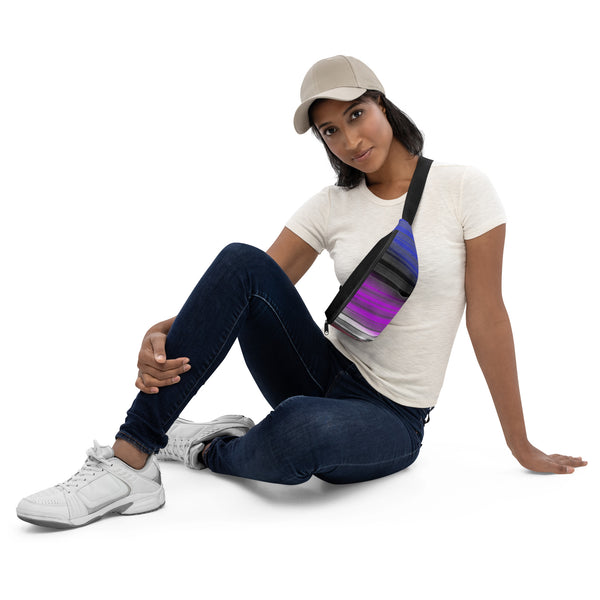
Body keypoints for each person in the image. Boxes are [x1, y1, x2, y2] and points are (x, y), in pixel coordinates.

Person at [17, 55, 587, 529]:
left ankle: (208, 447)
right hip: (324, 371)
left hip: (392, 416)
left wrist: (520, 443)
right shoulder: (330, 205)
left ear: (382, 104)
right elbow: (244, 288)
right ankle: (130, 459)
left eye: (356, 115)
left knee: (301, 429)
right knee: (241, 259)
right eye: (330, 131)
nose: (349, 139)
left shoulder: (464, 188)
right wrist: (162, 331)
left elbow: (488, 315)